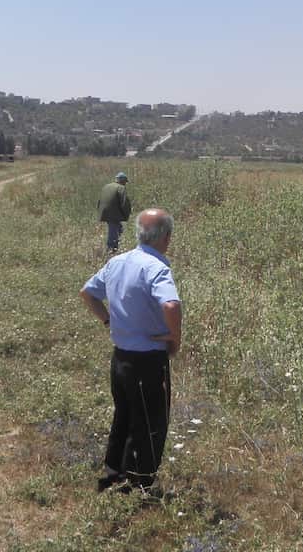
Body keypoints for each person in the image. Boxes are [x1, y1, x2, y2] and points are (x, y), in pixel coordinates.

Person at [79, 208, 182, 495]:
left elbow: (87, 293)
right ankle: (140, 485)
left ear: (139, 234)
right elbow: (171, 305)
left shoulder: (117, 262)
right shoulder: (156, 268)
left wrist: (108, 321)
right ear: (166, 237)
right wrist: (174, 338)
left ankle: (114, 474)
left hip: (120, 358)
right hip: (148, 361)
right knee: (150, 421)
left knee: (124, 414)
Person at [97, 171, 132, 251]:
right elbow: (124, 203)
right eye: (125, 182)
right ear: (122, 181)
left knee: (119, 228)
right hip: (112, 213)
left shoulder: (106, 186)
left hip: (103, 211)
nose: (125, 184)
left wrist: (100, 212)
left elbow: (100, 200)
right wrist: (127, 214)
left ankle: (115, 244)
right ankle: (111, 249)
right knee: (113, 229)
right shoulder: (121, 187)